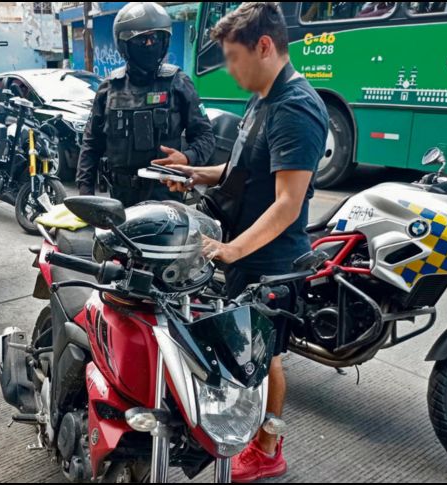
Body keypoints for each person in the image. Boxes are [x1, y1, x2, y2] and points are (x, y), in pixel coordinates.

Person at [163, 3, 328, 481]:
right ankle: (243, 428)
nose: (229, 68)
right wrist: (193, 173)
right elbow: (242, 170)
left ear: (264, 46)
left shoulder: (296, 109)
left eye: (233, 57)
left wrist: (232, 250)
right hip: (246, 250)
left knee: (267, 357)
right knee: (244, 353)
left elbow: (288, 203)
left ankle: (269, 448)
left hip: (272, 259)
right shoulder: (263, 97)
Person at [75, 2, 215, 207]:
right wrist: (85, 193)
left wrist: (187, 157)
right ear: (124, 44)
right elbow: (91, 143)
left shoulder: (178, 83)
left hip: (166, 196)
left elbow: (205, 135)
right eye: (141, 39)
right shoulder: (109, 89)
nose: (150, 44)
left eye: (155, 38)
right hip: (121, 199)